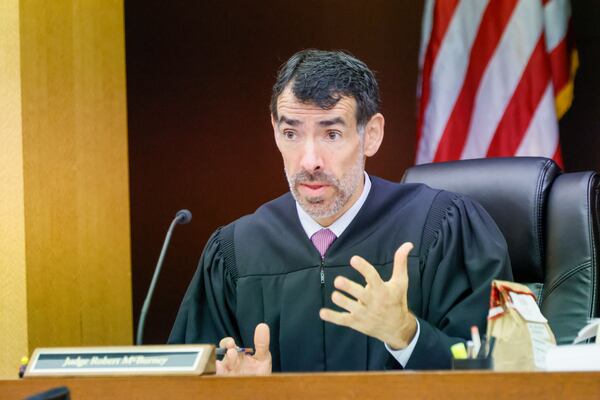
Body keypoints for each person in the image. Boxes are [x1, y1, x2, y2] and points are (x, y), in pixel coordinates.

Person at [168, 49, 512, 374]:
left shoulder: (439, 228)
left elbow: (503, 370)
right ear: (275, 133)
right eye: (291, 133)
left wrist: (408, 336)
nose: (309, 161)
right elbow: (184, 380)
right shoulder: (236, 253)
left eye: (331, 134)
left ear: (371, 135)